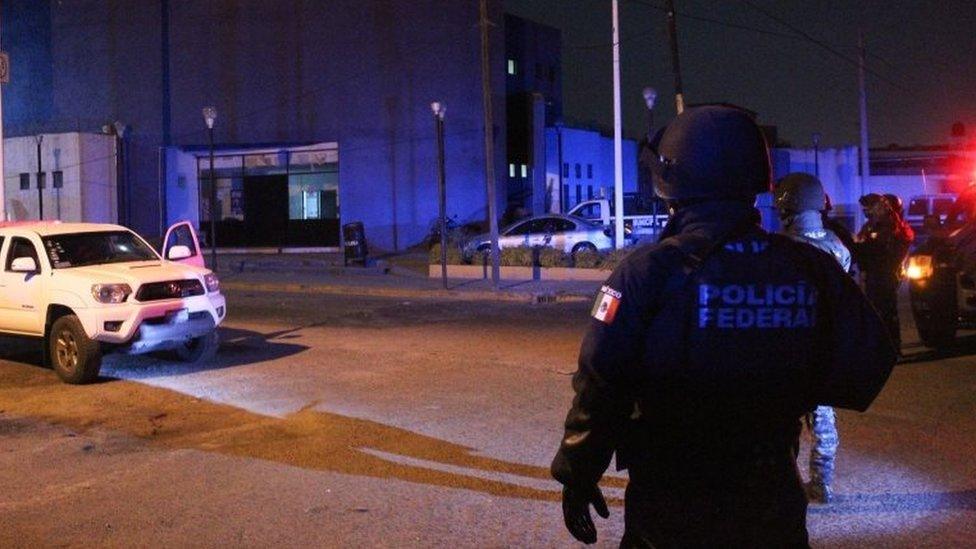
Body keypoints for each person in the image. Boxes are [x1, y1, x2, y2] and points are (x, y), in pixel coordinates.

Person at [551, 105, 896, 547]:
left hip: (670, 510)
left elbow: (601, 384)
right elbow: (868, 364)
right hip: (772, 507)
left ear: (672, 181)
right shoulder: (808, 267)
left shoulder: (647, 272)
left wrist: (576, 472)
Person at [773, 173, 851, 504]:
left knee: (778, 422)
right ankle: (822, 484)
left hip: (788, 348)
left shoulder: (782, 248)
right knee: (823, 420)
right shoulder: (837, 246)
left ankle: (780, 487)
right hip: (824, 346)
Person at [855, 193, 914, 352]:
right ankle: (883, 346)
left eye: (869, 208)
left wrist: (866, 245)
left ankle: (892, 346)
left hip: (884, 275)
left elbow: (880, 250)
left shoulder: (890, 225)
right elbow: (860, 243)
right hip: (873, 273)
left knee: (885, 311)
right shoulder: (872, 225)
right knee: (876, 310)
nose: (866, 211)